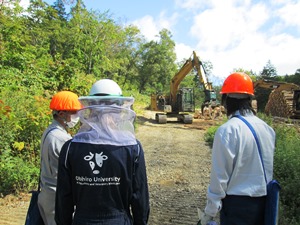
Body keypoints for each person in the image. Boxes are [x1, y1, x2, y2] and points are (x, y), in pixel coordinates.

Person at [55, 79, 150, 225]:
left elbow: (63, 198)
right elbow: (139, 197)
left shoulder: (70, 148)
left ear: (90, 109)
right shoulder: (132, 148)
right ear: (119, 110)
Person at [200, 72, 276, 225]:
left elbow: (219, 178)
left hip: (237, 208)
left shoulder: (227, 131)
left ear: (226, 100)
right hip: (265, 204)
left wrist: (210, 212)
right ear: (249, 99)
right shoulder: (268, 129)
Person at [38, 91, 82, 225]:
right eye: (74, 112)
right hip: (56, 197)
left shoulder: (50, 131)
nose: (77, 116)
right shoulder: (61, 138)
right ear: (62, 114)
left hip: (47, 192)